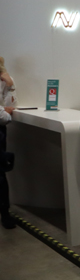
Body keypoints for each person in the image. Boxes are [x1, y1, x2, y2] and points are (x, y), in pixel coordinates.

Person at [0, 57, 15, 229]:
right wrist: (4, 112)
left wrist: (10, 85)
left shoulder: (4, 78)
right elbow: (3, 116)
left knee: (1, 174)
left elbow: (12, 104)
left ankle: (5, 213)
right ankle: (5, 214)